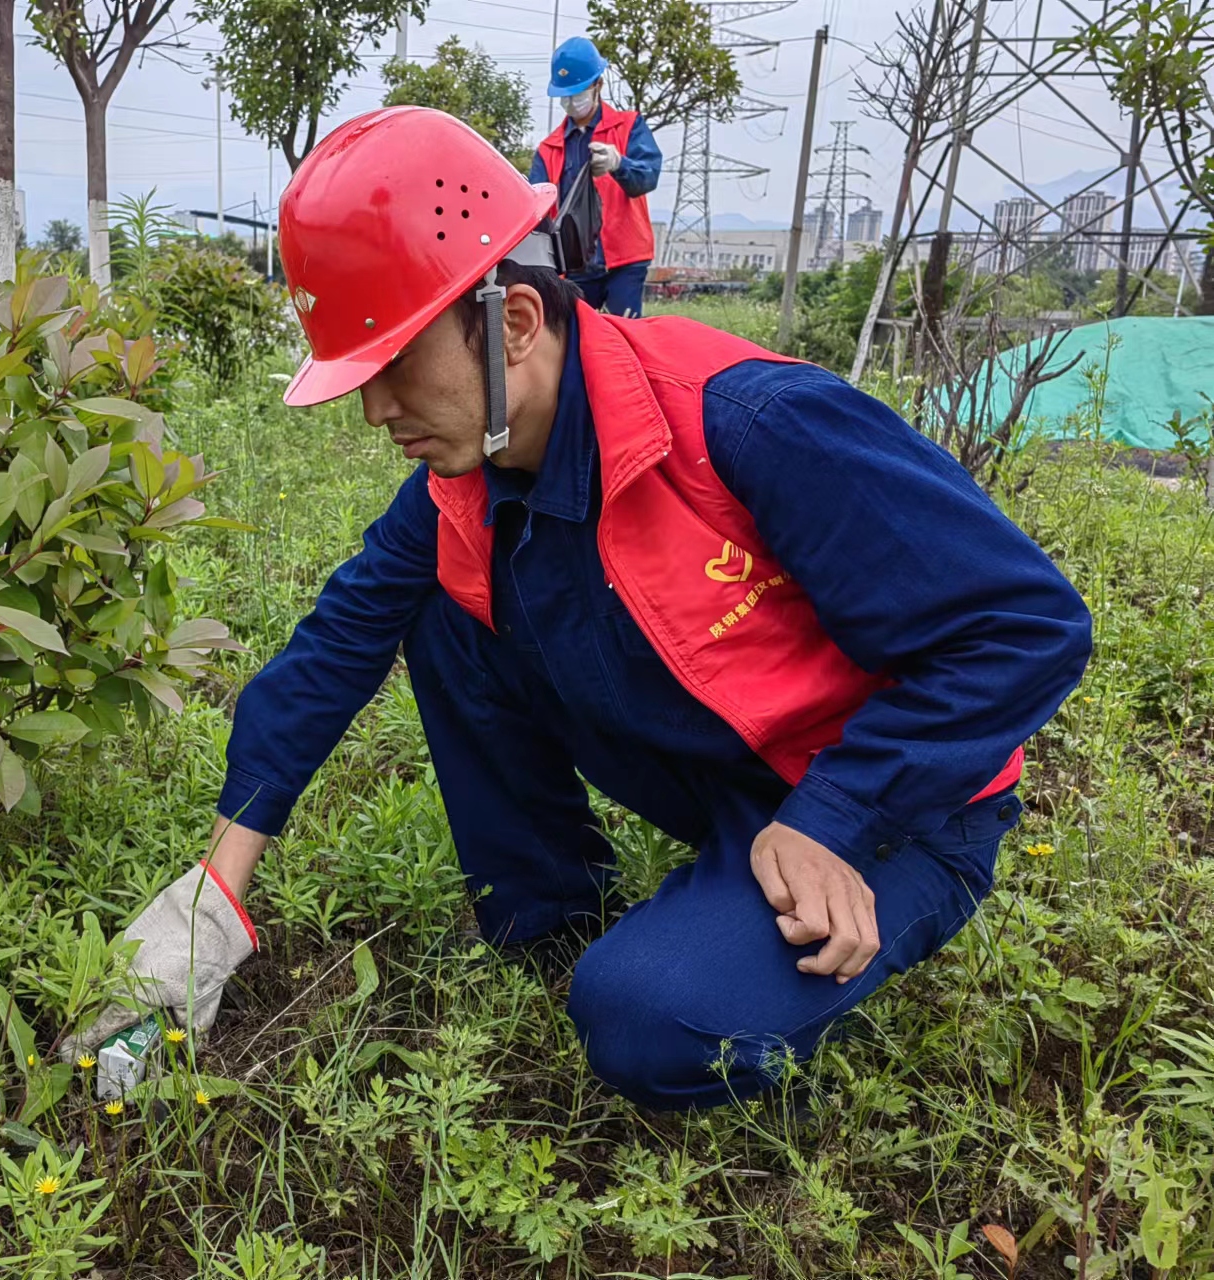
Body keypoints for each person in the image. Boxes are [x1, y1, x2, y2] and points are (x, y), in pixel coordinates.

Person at [66, 108, 1092, 1111]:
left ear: (512, 322)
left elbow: (1026, 627)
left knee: (650, 1023)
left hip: (895, 803)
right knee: (438, 608)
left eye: (397, 366)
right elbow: (333, 648)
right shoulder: (462, 483)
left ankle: (775, 948)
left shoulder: (746, 421)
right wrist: (212, 895)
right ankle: (555, 922)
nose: (375, 411)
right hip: (719, 770)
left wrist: (834, 818)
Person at [526, 36, 662, 318]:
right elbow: (535, 210)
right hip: (575, 265)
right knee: (576, 337)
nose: (571, 102)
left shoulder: (629, 127)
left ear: (598, 84)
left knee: (623, 332)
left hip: (624, 261)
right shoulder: (549, 149)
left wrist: (619, 163)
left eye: (578, 93)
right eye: (566, 95)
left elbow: (648, 177)